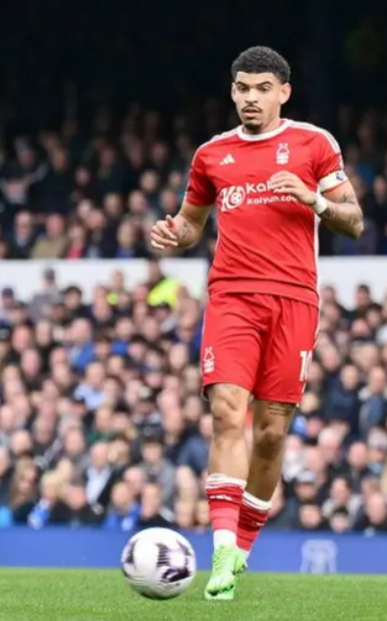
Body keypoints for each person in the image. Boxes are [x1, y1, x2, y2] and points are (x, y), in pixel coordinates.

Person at [150, 46, 364, 600]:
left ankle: (242, 550)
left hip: (295, 300)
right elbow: (193, 224)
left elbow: (355, 222)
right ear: (232, 92)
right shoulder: (211, 155)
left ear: (283, 93)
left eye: (262, 88)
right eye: (243, 88)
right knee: (227, 413)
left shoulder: (315, 144)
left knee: (271, 434)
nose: (251, 97)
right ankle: (219, 549)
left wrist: (315, 199)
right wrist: (176, 235)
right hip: (231, 297)